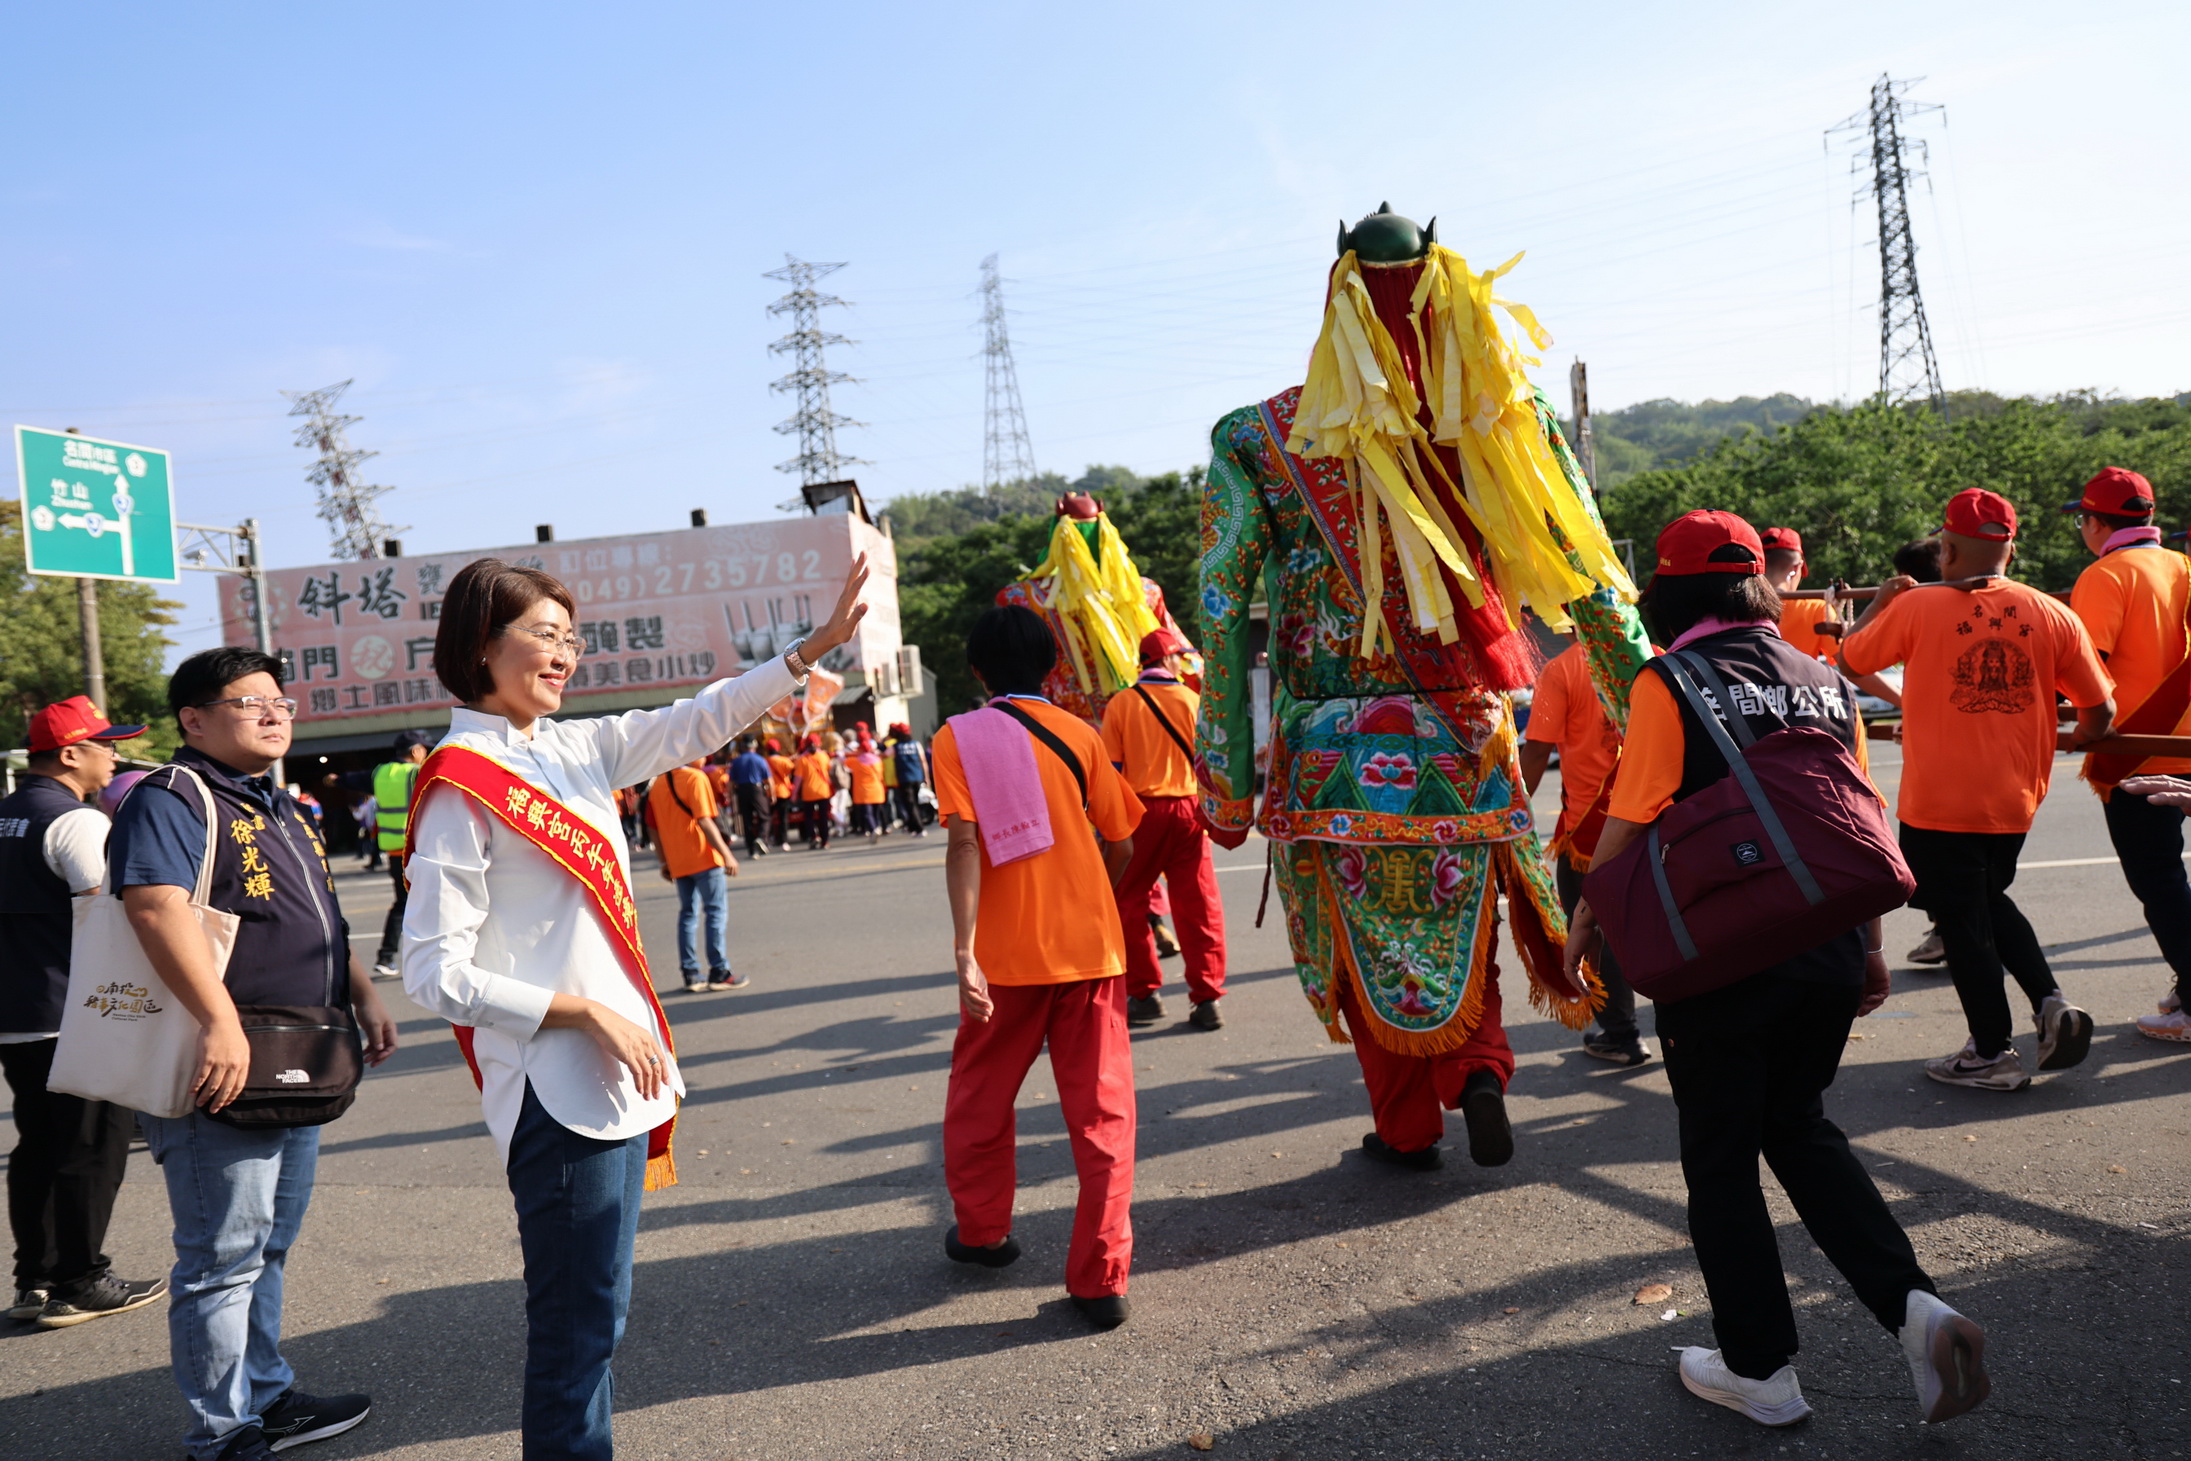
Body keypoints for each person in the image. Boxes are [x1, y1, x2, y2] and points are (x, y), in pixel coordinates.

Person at [403, 554, 867, 1461]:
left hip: (617, 1073)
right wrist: (580, 1012)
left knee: (599, 1314)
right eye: (545, 635)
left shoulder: (570, 748)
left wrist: (811, 649)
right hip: (557, 1084)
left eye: (571, 639)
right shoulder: (460, 781)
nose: (565, 654)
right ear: (479, 645)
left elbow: (701, 719)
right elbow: (431, 972)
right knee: (577, 1328)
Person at [1564, 509, 1989, 1430]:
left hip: (1721, 950)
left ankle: (1759, 1368)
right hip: (1826, 945)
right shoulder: (1824, 678)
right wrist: (1871, 946)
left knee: (1721, 1159)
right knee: (1798, 1128)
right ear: (1760, 585)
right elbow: (1857, 816)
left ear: (1668, 594)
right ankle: (1917, 1310)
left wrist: (1590, 913)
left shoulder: (1669, 679)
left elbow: (1632, 817)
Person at [112, 647, 400, 1461]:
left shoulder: (281, 806)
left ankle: (267, 1396)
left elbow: (323, 920)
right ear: (194, 719)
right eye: (251, 702)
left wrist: (364, 995)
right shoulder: (173, 798)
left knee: (267, 1242)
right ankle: (221, 1429)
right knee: (220, 1256)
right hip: (225, 1059)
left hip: (300, 1045)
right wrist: (218, 1020)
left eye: (281, 700)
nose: (275, 713)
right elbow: (155, 907)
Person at [1840, 489, 2114, 1091]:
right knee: (1986, 901)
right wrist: (2080, 741)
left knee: (1963, 924)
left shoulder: (1920, 607)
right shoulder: (2052, 612)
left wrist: (1883, 603)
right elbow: (2100, 711)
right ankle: (2049, 1004)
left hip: (1941, 800)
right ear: (2010, 549)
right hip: (2017, 796)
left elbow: (1851, 656)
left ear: (1947, 548)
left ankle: (1991, 1051)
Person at [933, 605, 1143, 1330]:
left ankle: (983, 1232)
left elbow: (963, 844)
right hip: (1090, 951)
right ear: (1054, 666)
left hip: (1003, 958)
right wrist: (1091, 900)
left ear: (975, 670)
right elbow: (1119, 839)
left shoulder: (957, 736)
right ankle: (1101, 1277)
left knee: (980, 1100)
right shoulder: (1081, 732)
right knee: (1102, 1115)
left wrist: (963, 951)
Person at [0, 696, 167, 1330]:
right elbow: (112, 921)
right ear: (70, 754)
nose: (114, 756)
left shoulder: (5, 817)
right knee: (92, 1144)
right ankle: (81, 1278)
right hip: (76, 1011)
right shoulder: (76, 823)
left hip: (16, 1013)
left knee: (39, 1141)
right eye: (104, 745)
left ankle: (34, 1278)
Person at [2060, 468, 2191, 1044]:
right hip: (2186, 741)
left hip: (2137, 751)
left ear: (2095, 522)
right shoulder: (2183, 565)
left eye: (2081, 520)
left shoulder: (2106, 573)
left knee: (2158, 880)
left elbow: (2089, 673)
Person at [1519, 635, 1648, 1065]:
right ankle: (1680, 1033)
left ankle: (1621, 1033)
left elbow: (1536, 750)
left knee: (1595, 929)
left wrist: (1514, 813)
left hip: (1593, 831)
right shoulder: (1654, 657)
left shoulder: (1562, 669)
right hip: (1653, 818)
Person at [1104, 627, 1227, 1031]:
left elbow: (1113, 773)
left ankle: (1144, 993)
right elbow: (1211, 765)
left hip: (1139, 813)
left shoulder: (1120, 704)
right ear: (1170, 660)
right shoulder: (1194, 700)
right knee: (1199, 904)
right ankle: (1207, 999)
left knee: (1126, 902)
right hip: (1190, 810)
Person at [647, 759, 744, 993]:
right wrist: (727, 854)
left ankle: (691, 973)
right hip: (704, 857)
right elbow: (704, 820)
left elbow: (653, 827)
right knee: (715, 913)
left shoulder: (657, 784)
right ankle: (719, 971)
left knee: (688, 915)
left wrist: (663, 860)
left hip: (678, 861)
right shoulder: (695, 778)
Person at [370, 731, 432, 978]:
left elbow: (354, 779)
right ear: (416, 751)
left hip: (396, 852)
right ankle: (391, 957)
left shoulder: (380, 773)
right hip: (419, 849)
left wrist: (336, 780)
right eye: (424, 750)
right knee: (432, 904)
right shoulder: (417, 773)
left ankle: (386, 957)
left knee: (403, 904)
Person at [728, 738, 774, 858]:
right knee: (764, 817)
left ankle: (751, 850)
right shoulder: (760, 759)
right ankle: (761, 838)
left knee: (746, 820)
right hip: (757, 790)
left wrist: (730, 797)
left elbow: (731, 783)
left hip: (741, 791)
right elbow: (769, 780)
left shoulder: (736, 761)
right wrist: (772, 794)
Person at [847, 728, 886, 843]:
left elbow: (843, 761)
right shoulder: (878, 760)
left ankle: (874, 828)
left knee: (867, 813)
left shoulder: (856, 761)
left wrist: (853, 753)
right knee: (875, 812)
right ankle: (876, 827)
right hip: (877, 789)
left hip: (863, 791)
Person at [794, 735, 833, 849]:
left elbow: (798, 779)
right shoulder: (824, 756)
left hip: (808, 792)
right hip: (823, 791)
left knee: (809, 817)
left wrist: (794, 793)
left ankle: (813, 837)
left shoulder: (801, 759)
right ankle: (825, 841)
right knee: (823, 817)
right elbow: (829, 770)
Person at [889, 723, 929, 836]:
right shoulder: (916, 744)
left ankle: (919, 828)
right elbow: (923, 761)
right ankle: (912, 827)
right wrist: (926, 777)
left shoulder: (895, 746)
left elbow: (884, 754)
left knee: (910, 804)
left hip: (904, 779)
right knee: (915, 803)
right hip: (917, 777)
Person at [765, 738, 796, 851]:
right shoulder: (784, 760)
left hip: (769, 792)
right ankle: (784, 841)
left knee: (769, 818)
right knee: (783, 818)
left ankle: (769, 839)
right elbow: (792, 770)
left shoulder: (764, 761)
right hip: (783, 792)